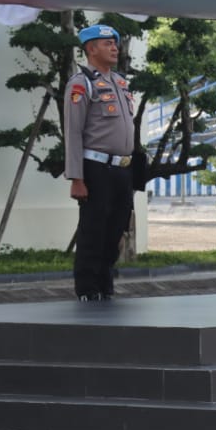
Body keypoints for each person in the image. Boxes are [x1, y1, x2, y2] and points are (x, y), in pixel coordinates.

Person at [63, 24, 137, 301]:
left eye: (115, 43)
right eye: (107, 44)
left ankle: (105, 285)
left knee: (115, 229)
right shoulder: (81, 83)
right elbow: (73, 132)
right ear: (91, 49)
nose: (114, 48)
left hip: (122, 169)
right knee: (93, 230)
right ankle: (87, 288)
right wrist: (76, 178)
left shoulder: (120, 82)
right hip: (96, 169)